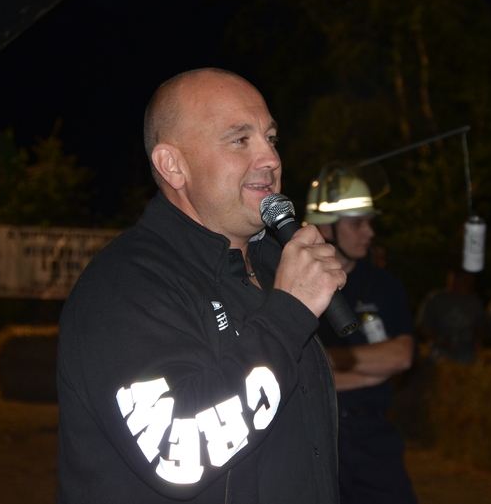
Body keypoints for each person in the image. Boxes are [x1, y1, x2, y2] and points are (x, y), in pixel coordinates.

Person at [57, 69, 345, 504]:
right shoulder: (122, 285)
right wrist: (290, 312)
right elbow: (180, 450)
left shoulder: (275, 267)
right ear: (173, 166)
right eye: (240, 140)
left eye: (271, 138)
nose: (270, 158)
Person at [304, 167, 417, 504]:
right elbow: (292, 371)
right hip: (314, 439)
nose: (369, 232)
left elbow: (402, 356)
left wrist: (327, 363)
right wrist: (370, 371)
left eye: (369, 222)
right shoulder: (296, 284)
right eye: (357, 224)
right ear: (326, 228)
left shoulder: (383, 286)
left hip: (373, 438)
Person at [416, 268, 484, 363]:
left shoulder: (474, 302)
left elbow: (480, 327)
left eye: (466, 280)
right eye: (459, 279)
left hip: (467, 352)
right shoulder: (435, 299)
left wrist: (477, 344)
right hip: (439, 351)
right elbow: (423, 326)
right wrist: (440, 340)